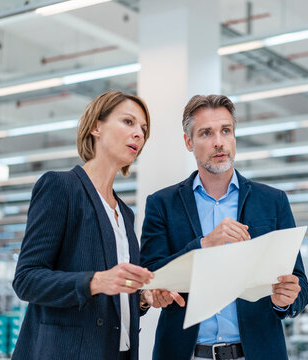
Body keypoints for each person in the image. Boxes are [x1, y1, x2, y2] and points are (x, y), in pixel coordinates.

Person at [12, 90, 183, 360]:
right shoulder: (60, 187)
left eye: (143, 129)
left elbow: (117, 297)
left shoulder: (124, 213)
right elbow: (26, 280)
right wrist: (97, 281)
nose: (139, 133)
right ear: (96, 127)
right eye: (128, 122)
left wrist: (141, 298)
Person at [140, 94, 308, 360]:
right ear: (189, 142)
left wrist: (286, 300)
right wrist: (204, 245)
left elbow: (301, 285)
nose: (218, 142)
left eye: (226, 131)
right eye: (206, 133)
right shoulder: (162, 204)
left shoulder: (273, 201)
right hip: (186, 354)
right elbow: (150, 276)